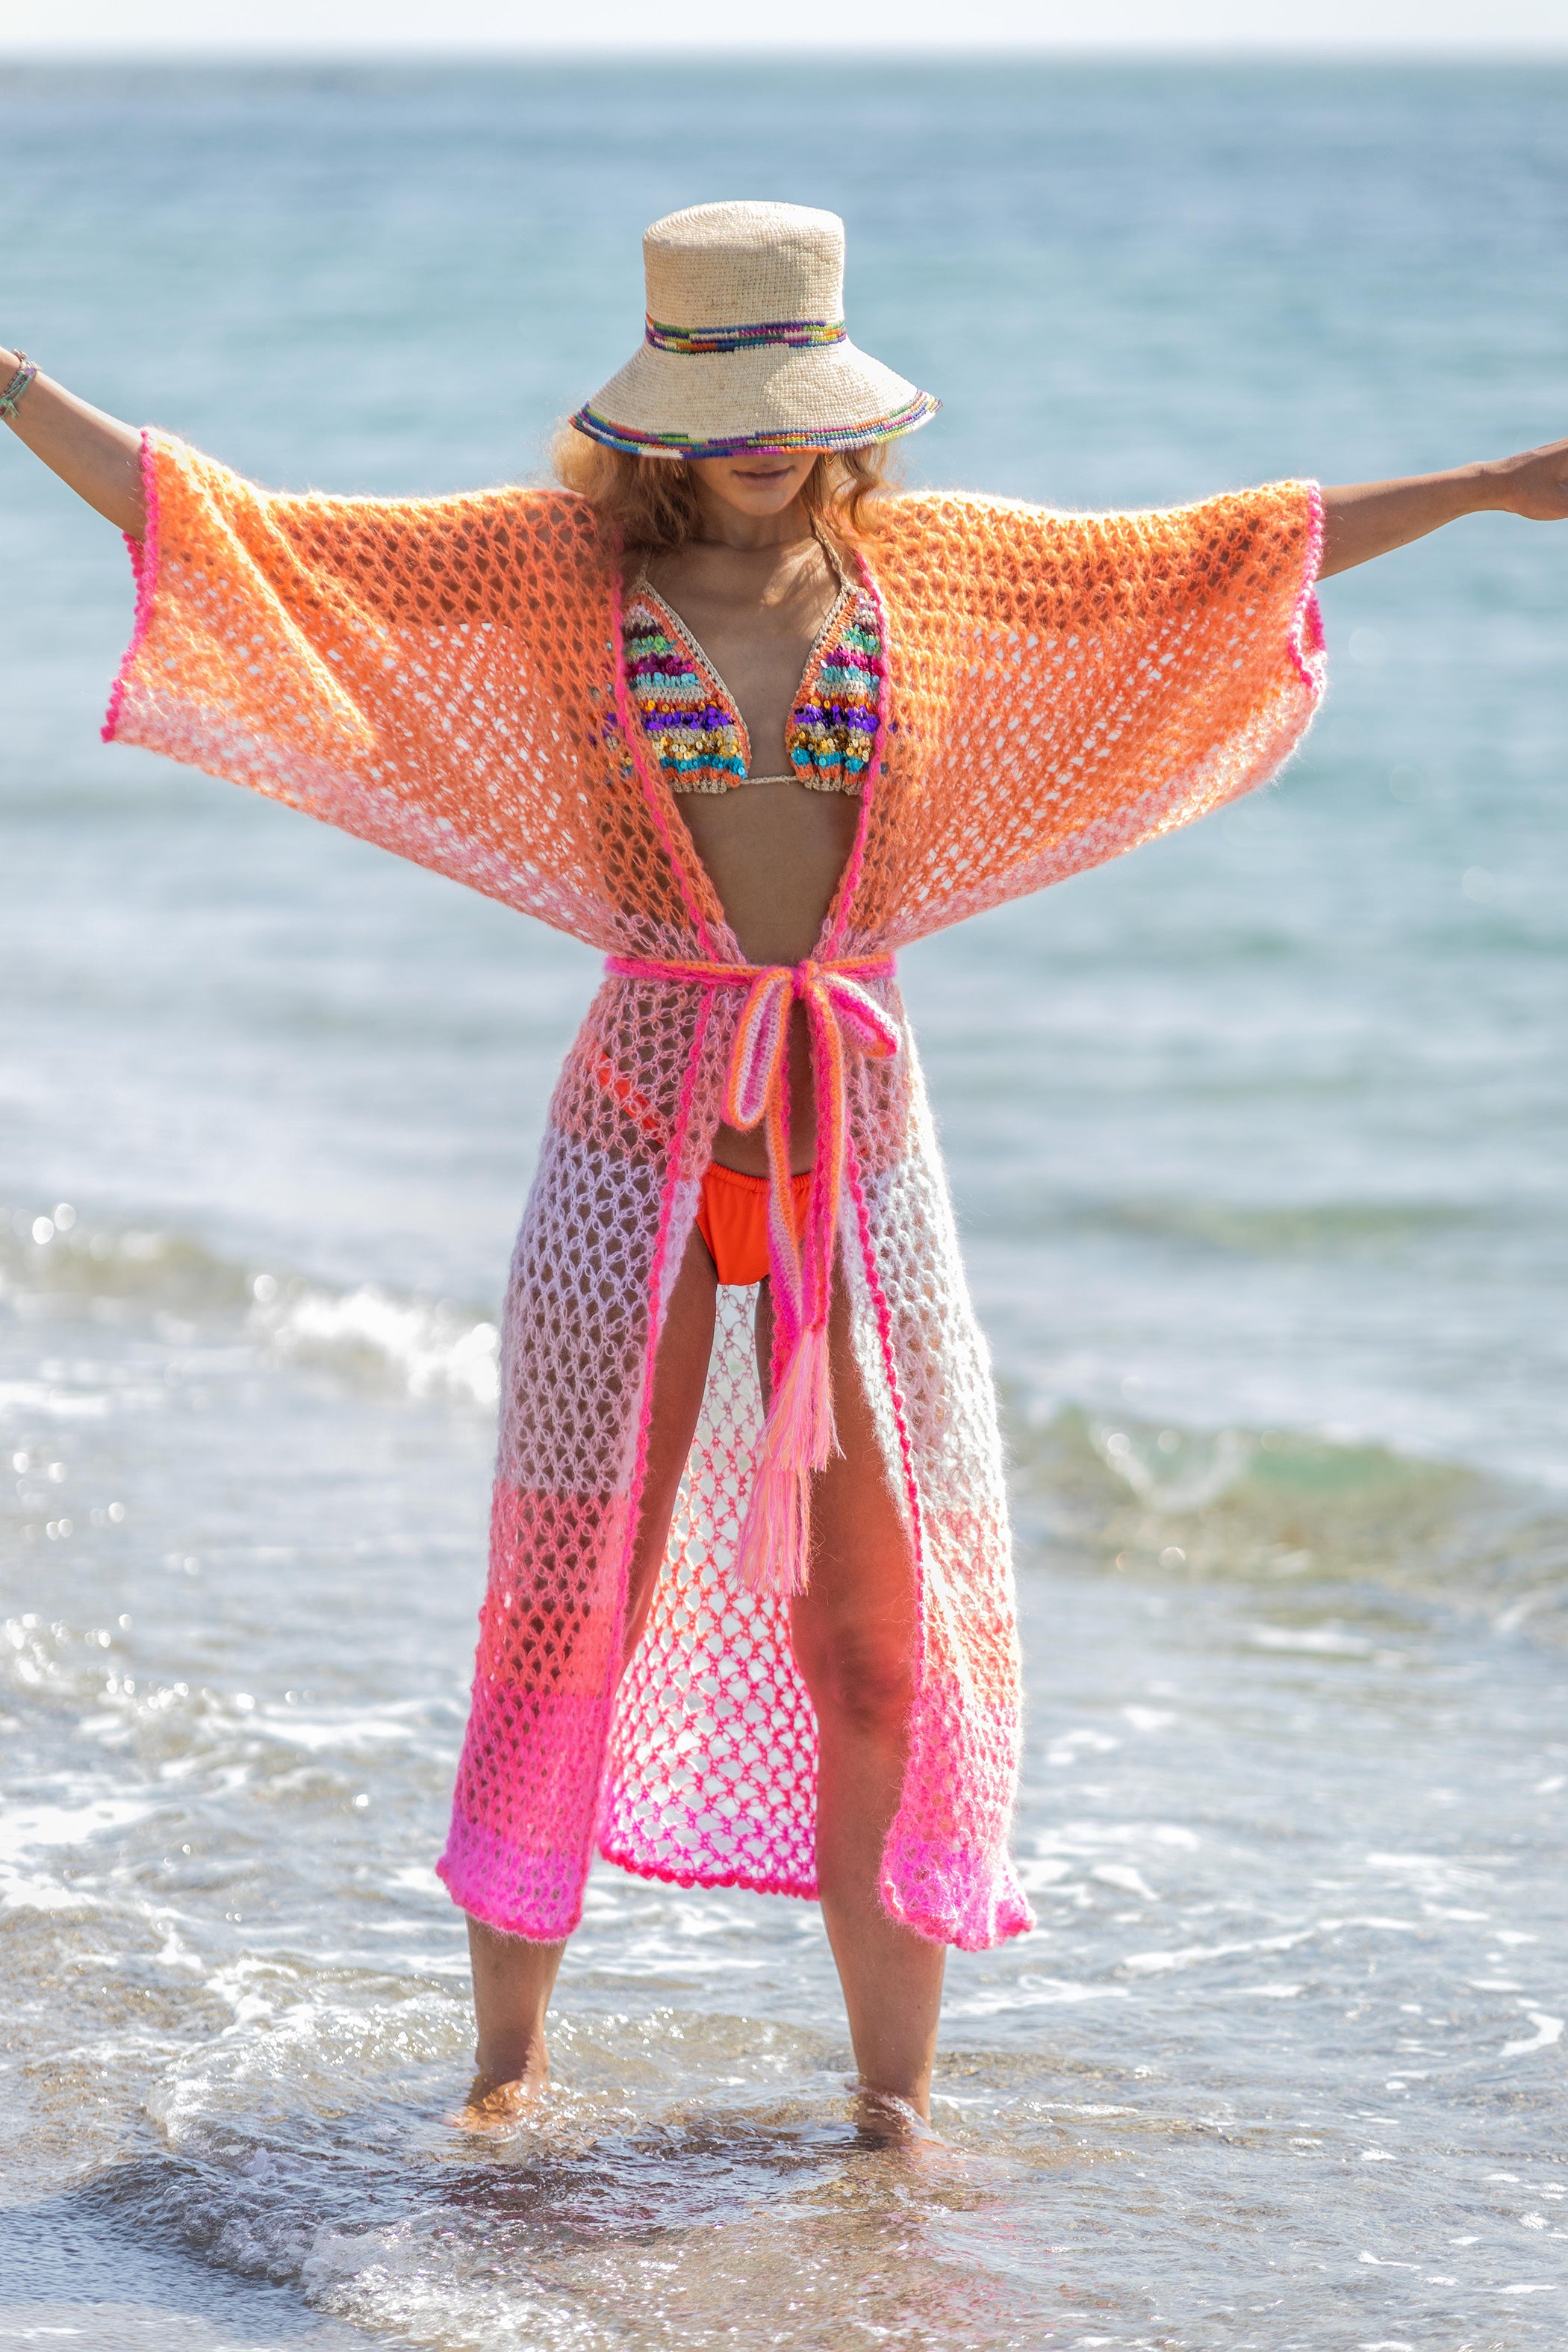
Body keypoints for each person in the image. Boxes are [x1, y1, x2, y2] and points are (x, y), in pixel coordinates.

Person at [5, 199, 1565, 2137]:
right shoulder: (554, 567)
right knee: (573, 1594)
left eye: (789, 392)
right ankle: (503, 2074)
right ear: (650, 409)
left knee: (871, 1644)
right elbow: (243, 533)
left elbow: (1225, 553)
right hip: (631, 1131)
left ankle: (891, 2115)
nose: (760, 433)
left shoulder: (934, 570)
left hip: (858, 1147)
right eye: (714, 391)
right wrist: (13, 387)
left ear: (847, 405)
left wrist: (1501, 484)